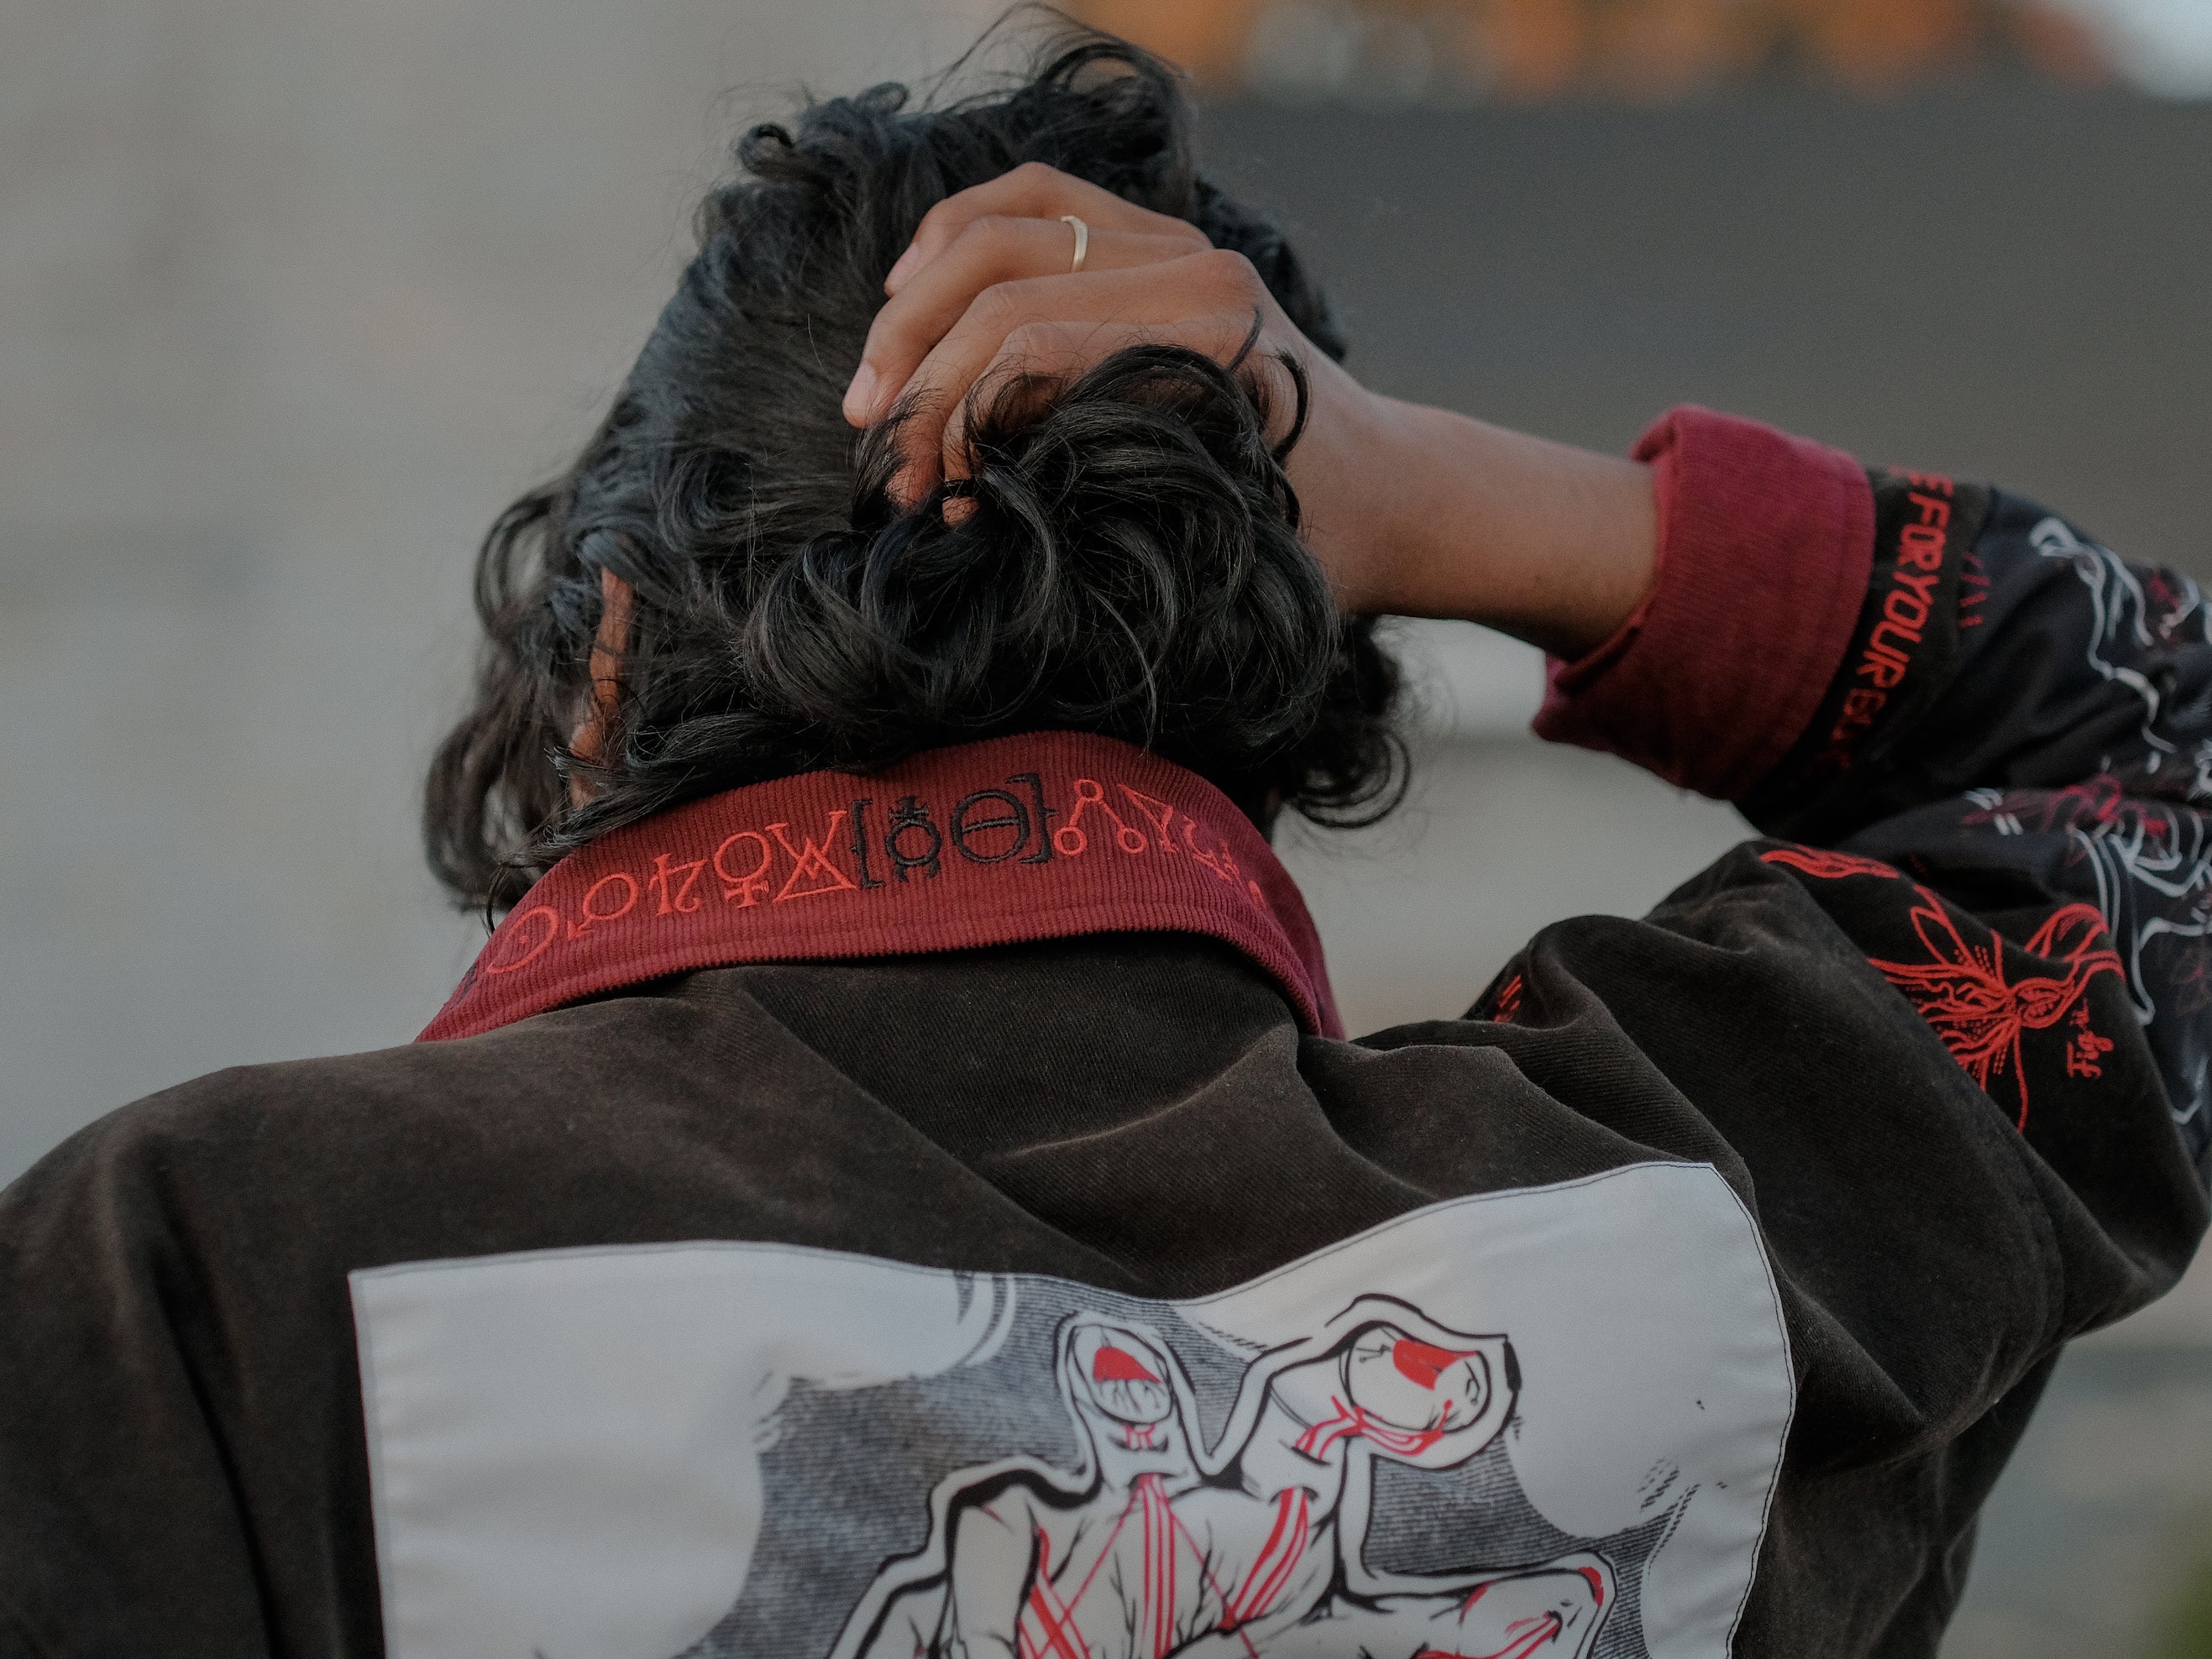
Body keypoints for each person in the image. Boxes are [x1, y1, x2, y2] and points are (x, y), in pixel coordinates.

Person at [1, 28, 2205, 1659]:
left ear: (596, 676)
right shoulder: (1719, 1217)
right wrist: (1427, 486)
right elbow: (2147, 743)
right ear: (1307, 675)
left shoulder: (199, 1282)